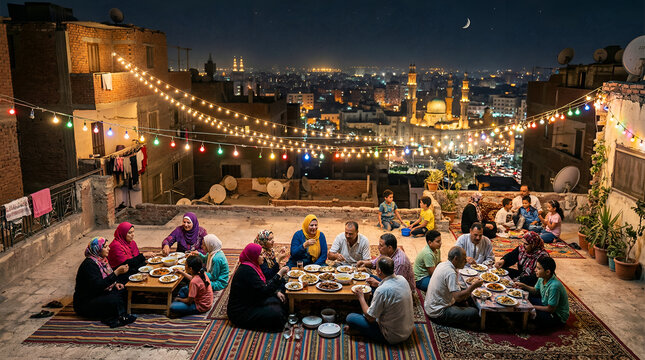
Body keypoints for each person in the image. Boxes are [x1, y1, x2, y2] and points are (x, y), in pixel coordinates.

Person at [345, 257, 414, 344]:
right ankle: (361, 330)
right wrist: (378, 283)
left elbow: (370, 318)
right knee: (373, 284)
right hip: (407, 330)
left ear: (379, 271)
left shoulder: (381, 290)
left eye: (376, 267)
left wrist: (361, 297)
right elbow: (392, 289)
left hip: (391, 336)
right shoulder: (402, 279)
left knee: (350, 318)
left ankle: (362, 332)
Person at [73, 237, 136, 328]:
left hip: (99, 294)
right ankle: (117, 315)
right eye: (105, 247)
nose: (109, 248)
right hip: (85, 303)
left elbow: (105, 279)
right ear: (97, 249)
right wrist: (116, 273)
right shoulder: (89, 265)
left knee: (125, 289)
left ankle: (120, 311)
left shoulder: (102, 260)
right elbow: (98, 286)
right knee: (114, 300)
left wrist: (115, 284)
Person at [227, 243, 289, 332]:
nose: (263, 256)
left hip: (251, 299)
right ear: (253, 256)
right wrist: (279, 274)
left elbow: (262, 283)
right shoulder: (247, 270)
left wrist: (276, 292)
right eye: (260, 254)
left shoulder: (252, 266)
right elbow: (264, 291)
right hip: (240, 311)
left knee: (279, 300)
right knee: (277, 314)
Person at [424, 246, 484, 327]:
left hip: (430, 306)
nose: (466, 261)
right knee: (474, 312)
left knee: (467, 295)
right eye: (464, 259)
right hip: (438, 313)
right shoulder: (450, 272)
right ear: (455, 258)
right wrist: (473, 286)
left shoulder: (442, 264)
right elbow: (458, 298)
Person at [515, 257, 569, 329]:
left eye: (538, 268)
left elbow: (550, 309)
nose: (535, 270)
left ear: (547, 272)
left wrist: (531, 307)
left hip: (556, 315)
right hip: (545, 303)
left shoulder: (554, 286)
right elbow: (535, 290)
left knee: (535, 315)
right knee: (523, 296)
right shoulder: (541, 278)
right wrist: (523, 286)